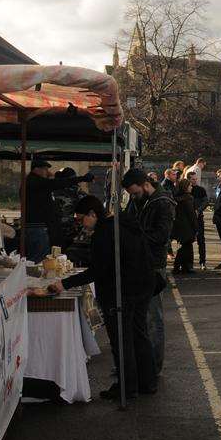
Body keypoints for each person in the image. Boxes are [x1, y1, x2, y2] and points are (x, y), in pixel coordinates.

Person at [50, 196, 158, 400]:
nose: (81, 224)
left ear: (93, 214)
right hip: (143, 284)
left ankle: (127, 387)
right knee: (138, 333)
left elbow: (98, 270)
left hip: (122, 290)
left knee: (121, 339)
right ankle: (147, 381)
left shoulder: (104, 233)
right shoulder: (123, 223)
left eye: (82, 219)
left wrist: (64, 283)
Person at [121, 168, 175, 376]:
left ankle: (153, 366)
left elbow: (161, 236)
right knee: (141, 317)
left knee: (153, 318)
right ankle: (141, 362)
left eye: (135, 193)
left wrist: (133, 236)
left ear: (145, 185)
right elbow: (129, 220)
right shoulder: (140, 200)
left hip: (153, 264)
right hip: (139, 263)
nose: (133, 197)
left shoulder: (162, 202)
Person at [21, 159, 95, 262]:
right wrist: (82, 178)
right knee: (39, 261)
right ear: (37, 169)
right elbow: (57, 183)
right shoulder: (35, 182)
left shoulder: (35, 183)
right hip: (38, 228)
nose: (48, 172)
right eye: (45, 169)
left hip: (42, 227)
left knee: (41, 259)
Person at [171, 179, 198, 275]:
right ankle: (180, 266)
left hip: (179, 225)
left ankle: (184, 266)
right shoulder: (188, 198)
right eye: (190, 186)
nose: (191, 187)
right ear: (186, 187)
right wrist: (196, 227)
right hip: (188, 226)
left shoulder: (178, 197)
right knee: (186, 247)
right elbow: (191, 215)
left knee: (185, 246)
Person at [186, 170, 209, 269]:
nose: (195, 181)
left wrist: (198, 210)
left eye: (196, 179)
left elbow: (205, 201)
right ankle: (188, 263)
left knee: (201, 240)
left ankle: (202, 262)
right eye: (193, 179)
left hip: (198, 217)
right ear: (188, 180)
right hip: (188, 219)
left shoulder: (201, 190)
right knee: (187, 241)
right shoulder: (185, 190)